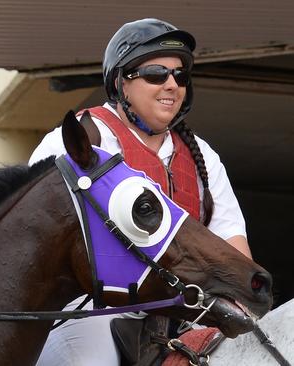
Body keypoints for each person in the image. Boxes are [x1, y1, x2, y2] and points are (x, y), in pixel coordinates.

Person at [29, 18, 252, 365]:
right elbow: (33, 243)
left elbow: (231, 244)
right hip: (88, 312)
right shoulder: (76, 139)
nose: (171, 85)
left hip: (180, 317)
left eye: (180, 76)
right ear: (121, 83)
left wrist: (239, 308)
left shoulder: (203, 156)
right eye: (155, 74)